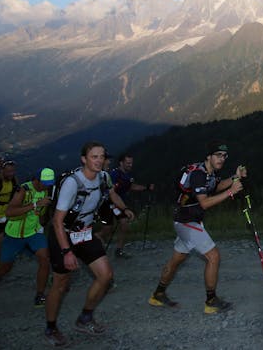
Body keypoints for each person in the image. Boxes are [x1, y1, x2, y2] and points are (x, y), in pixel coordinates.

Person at [44, 141, 135, 347]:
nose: (99, 160)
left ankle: (84, 318)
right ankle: (51, 328)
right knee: (60, 284)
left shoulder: (104, 177)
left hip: (84, 233)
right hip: (63, 235)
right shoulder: (72, 183)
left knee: (106, 276)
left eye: (102, 156)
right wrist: (67, 252)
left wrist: (124, 208)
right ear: (84, 159)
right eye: (94, 156)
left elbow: (112, 194)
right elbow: (57, 221)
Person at [148, 140, 245, 313]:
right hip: (187, 222)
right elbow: (205, 203)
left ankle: (157, 295)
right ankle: (211, 301)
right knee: (213, 257)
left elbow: (216, 187)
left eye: (224, 156)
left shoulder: (210, 172)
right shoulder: (199, 174)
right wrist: (231, 192)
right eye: (218, 155)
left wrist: (234, 177)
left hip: (185, 221)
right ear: (208, 156)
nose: (221, 159)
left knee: (177, 259)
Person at [0, 168, 55, 312]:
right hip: (14, 235)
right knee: (4, 269)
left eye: (49, 184)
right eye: (45, 183)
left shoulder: (45, 191)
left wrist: (42, 222)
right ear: (37, 179)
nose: (47, 186)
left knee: (45, 259)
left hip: (33, 233)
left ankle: (40, 295)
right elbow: (9, 212)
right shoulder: (23, 190)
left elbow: (40, 214)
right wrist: (34, 205)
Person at [97, 153, 153, 259]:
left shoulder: (128, 175)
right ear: (121, 163)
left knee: (124, 224)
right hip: (109, 204)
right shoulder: (114, 174)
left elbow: (131, 186)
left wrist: (146, 187)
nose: (130, 165)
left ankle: (119, 250)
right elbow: (110, 191)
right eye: (128, 163)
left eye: (131, 163)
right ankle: (94, 239)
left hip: (120, 205)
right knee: (107, 229)